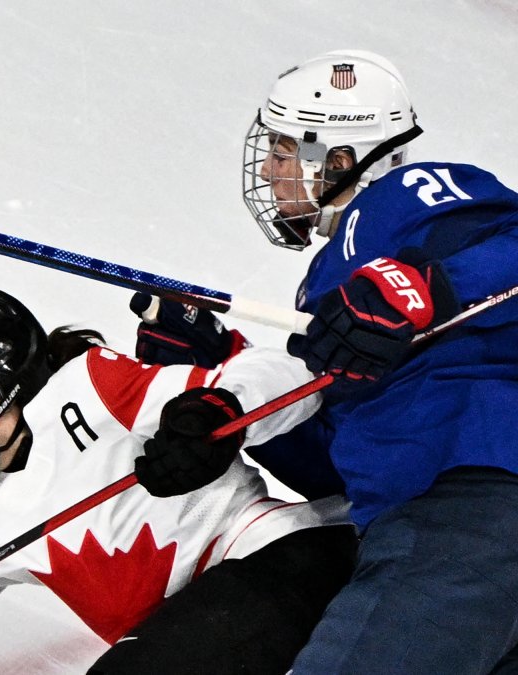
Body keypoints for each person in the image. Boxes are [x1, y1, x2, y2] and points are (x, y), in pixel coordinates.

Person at [147, 50, 518, 673]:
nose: (270, 168)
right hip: (421, 524)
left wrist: (427, 286)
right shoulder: (330, 286)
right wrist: (224, 383)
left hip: (468, 501)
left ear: (340, 160)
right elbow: (333, 466)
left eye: (284, 150)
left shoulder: (408, 197)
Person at [0, 286, 354, 675]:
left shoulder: (91, 388)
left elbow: (289, 374)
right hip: (197, 631)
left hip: (289, 559)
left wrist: (217, 412)